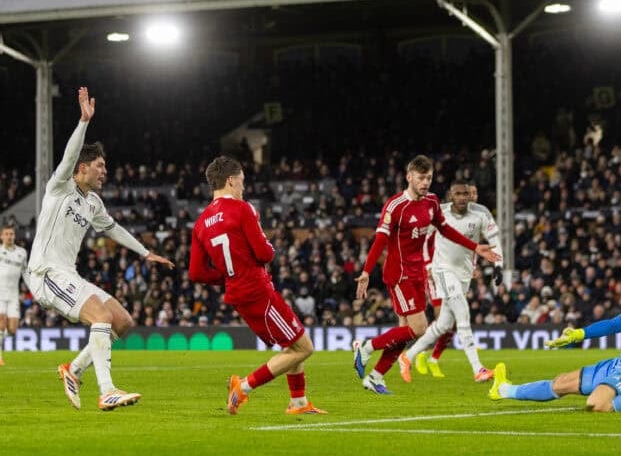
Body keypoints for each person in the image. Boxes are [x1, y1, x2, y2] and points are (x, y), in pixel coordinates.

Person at [27, 87, 174, 411]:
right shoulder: (60, 187)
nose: (105, 172)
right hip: (45, 273)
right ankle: (106, 390)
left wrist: (144, 252)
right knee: (101, 316)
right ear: (82, 169)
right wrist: (83, 122)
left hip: (68, 273)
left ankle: (74, 370)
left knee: (122, 321)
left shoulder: (93, 202)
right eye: (100, 166)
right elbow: (68, 157)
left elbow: (113, 229)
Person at [352, 155, 501, 394]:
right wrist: (367, 271)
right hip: (399, 274)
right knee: (419, 328)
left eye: (429, 178)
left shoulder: (431, 202)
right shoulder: (395, 206)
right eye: (421, 178)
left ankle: (375, 377)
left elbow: (445, 229)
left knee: (403, 332)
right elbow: (380, 240)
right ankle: (366, 348)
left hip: (418, 273)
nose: (425, 183)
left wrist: (475, 247)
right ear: (409, 177)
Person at [189, 156, 326, 415]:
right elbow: (264, 254)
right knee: (305, 347)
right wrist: (269, 247)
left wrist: (228, 277)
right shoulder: (243, 209)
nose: (243, 186)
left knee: (292, 343)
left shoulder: (200, 224)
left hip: (239, 294)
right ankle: (243, 386)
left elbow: (196, 272)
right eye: (242, 181)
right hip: (257, 290)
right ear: (230, 180)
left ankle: (298, 402)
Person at [489, 249, 621, 413]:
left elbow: (616, 324)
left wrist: (578, 334)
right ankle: (503, 389)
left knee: (597, 403)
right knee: (562, 382)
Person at [399, 179, 503, 383]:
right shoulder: (440, 213)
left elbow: (494, 240)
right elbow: (419, 238)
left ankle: (407, 357)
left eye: (466, 194)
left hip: (464, 273)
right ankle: (478, 369)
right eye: (458, 194)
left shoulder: (481, 213)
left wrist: (499, 265)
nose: (462, 198)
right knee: (463, 317)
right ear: (450, 196)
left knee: (443, 324)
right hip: (442, 270)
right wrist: (426, 265)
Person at [415, 180, 482, 377]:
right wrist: (427, 265)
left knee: (450, 321)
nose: (473, 196)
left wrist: (472, 266)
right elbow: (425, 239)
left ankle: (432, 358)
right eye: (471, 193)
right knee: (444, 318)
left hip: (457, 272)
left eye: (474, 193)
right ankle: (422, 354)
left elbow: (471, 245)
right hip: (437, 271)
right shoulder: (443, 215)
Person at [0, 225, 27, 366]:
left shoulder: (21, 253)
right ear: (1, 236)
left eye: (11, 234)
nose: (9, 236)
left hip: (13, 294)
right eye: (6, 234)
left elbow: (25, 272)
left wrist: (29, 288)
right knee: (1, 323)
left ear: (14, 236)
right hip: (0, 292)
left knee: (12, 329)